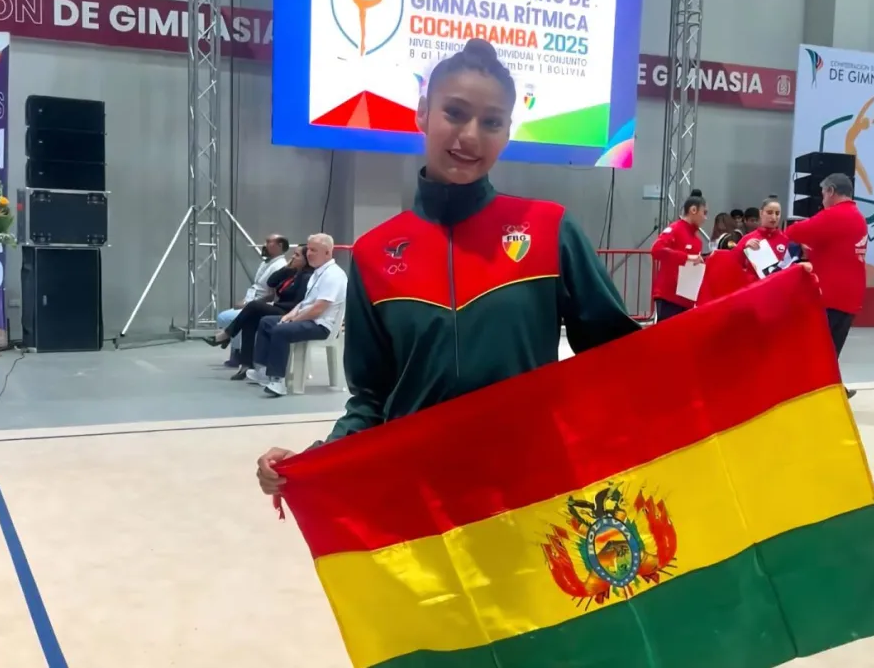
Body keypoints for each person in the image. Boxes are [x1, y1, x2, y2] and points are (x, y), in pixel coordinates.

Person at [257, 38, 640, 494]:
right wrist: (315, 463)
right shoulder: (375, 252)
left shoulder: (550, 229)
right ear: (422, 112)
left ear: (507, 130)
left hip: (529, 498)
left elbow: (626, 363)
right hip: (420, 508)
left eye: (492, 121)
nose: (471, 135)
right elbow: (371, 400)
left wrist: (728, 343)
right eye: (455, 113)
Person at [784, 173, 867, 399]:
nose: (822, 200)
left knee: (816, 350)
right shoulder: (857, 217)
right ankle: (830, 391)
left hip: (832, 296)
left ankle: (817, 395)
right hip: (849, 296)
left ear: (831, 191)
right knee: (829, 352)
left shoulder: (835, 215)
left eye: (823, 194)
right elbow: (834, 249)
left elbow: (794, 232)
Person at [247, 234, 348, 397]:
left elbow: (318, 309)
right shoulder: (317, 273)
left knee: (281, 331)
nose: (309, 254)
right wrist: (289, 316)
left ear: (328, 253)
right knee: (267, 322)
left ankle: (277, 381)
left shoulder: (333, 275)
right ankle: (263, 370)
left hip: (321, 325)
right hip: (308, 318)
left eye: (314, 250)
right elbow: (304, 303)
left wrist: (293, 320)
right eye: (309, 250)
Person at [206, 245, 312, 379]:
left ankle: (227, 334)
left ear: (305, 260)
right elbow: (271, 282)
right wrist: (286, 268)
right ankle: (246, 365)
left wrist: (274, 304)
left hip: (289, 311)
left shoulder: (307, 277)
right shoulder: (292, 272)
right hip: (279, 307)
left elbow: (298, 302)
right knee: (250, 320)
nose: (292, 257)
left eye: (297, 255)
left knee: (253, 306)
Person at [216, 234, 290, 368]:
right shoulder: (265, 263)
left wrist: (248, 305)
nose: (265, 245)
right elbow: (256, 286)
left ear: (280, 246)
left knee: (232, 318)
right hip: (252, 301)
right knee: (223, 317)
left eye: (269, 242)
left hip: (262, 304)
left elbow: (272, 294)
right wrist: (245, 300)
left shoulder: (281, 266)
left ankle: (237, 352)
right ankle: (236, 349)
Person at [649, 189, 707, 322]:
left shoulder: (697, 241)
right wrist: (686, 257)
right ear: (693, 210)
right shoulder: (675, 229)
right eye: (704, 213)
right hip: (669, 297)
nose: (705, 218)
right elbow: (656, 250)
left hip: (686, 299)